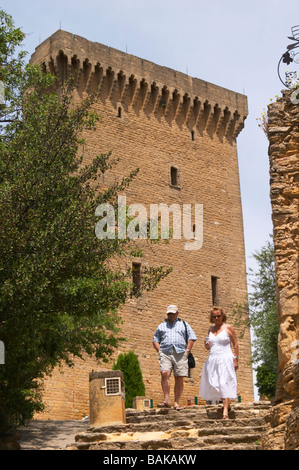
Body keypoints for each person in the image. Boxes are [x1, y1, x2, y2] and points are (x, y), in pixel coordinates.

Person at [152, 304, 197, 411]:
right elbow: (155, 339)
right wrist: (159, 351)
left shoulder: (184, 324)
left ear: (177, 313)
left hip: (180, 353)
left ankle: (176, 402)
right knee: (164, 373)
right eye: (169, 314)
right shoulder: (161, 326)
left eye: (173, 313)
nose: (171, 315)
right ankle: (166, 399)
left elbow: (191, 338)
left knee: (179, 377)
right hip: (165, 352)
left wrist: (187, 351)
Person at [199, 306, 239, 419]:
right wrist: (206, 344)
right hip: (213, 359)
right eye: (214, 316)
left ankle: (225, 411)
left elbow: (235, 344)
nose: (217, 318)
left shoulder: (228, 327)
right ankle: (227, 406)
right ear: (212, 318)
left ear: (222, 316)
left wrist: (236, 359)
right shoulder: (210, 330)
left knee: (224, 382)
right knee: (215, 383)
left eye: (219, 316)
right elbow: (207, 344)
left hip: (226, 358)